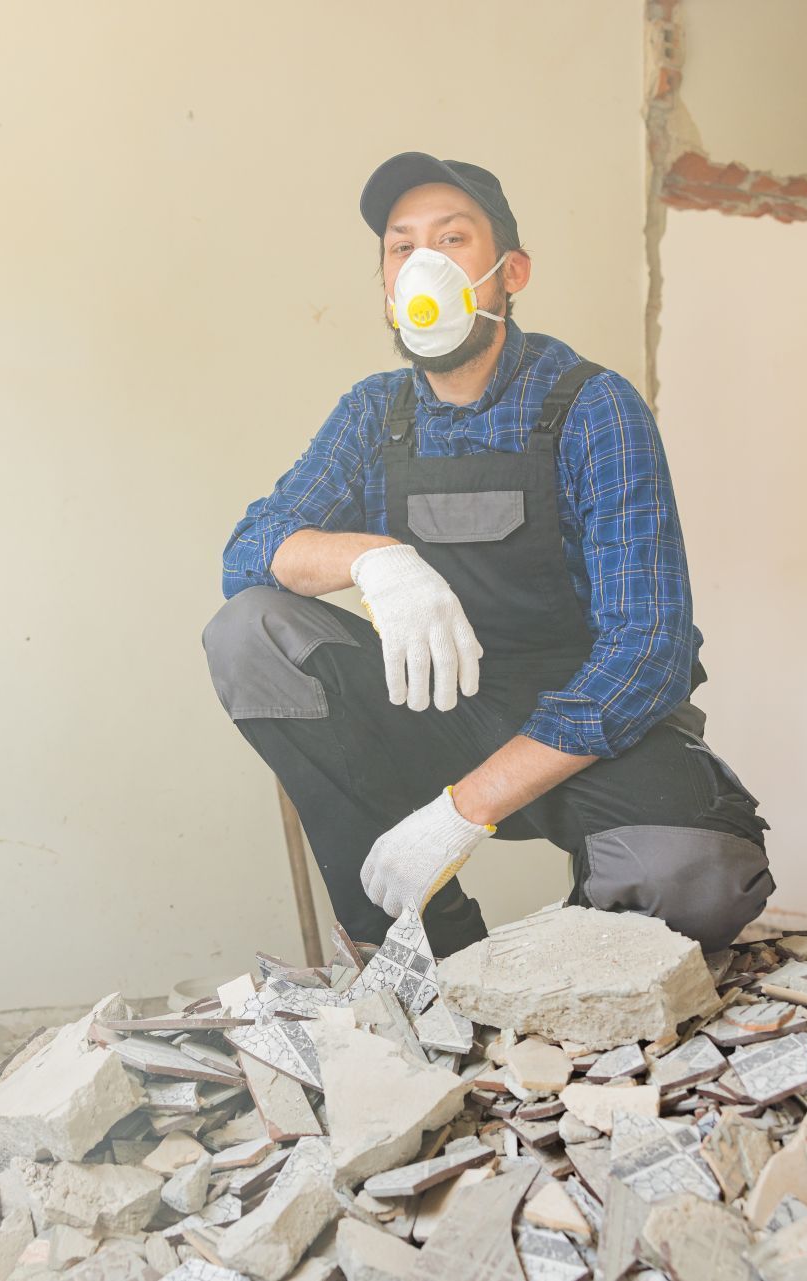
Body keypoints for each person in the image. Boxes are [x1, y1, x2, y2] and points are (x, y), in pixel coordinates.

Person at [202, 152, 774, 959]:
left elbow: (650, 649)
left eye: (452, 238)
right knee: (247, 631)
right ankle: (419, 954)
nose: (422, 264)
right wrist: (375, 559)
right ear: (386, 285)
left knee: (694, 875)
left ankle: (574, 975)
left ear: (511, 272)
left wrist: (462, 810)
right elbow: (250, 551)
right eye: (401, 248)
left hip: (586, 729)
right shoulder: (376, 414)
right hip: (439, 712)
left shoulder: (591, 407)